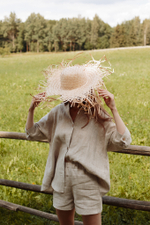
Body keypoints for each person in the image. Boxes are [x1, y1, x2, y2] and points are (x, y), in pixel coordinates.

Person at [25, 58, 132, 225]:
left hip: (87, 179)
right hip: (61, 177)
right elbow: (32, 133)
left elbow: (123, 141)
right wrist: (31, 110)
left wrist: (113, 109)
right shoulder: (58, 112)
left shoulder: (97, 115)